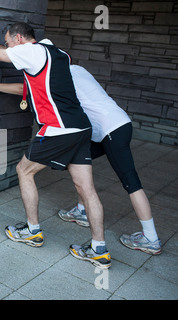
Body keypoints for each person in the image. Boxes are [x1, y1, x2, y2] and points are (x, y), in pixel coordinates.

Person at [0, 22, 111, 268]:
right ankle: (99, 249)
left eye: (8, 42)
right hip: (80, 127)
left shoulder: (32, 51)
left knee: (24, 171)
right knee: (86, 188)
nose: (7, 46)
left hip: (58, 128)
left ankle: (33, 231)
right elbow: (10, 60)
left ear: (18, 38)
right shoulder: (56, 53)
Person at [57, 65, 162, 255]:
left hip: (110, 129)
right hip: (118, 124)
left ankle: (151, 238)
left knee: (131, 182)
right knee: (76, 159)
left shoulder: (61, 76)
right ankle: (82, 210)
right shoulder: (78, 69)